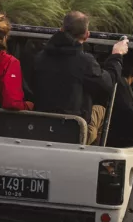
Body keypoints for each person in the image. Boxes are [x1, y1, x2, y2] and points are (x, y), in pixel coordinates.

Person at [32, 11, 128, 145]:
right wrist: (117, 55)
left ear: (61, 30)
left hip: (39, 127)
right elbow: (108, 83)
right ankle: (97, 157)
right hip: (74, 132)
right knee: (101, 110)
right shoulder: (85, 62)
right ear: (87, 35)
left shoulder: (40, 57)